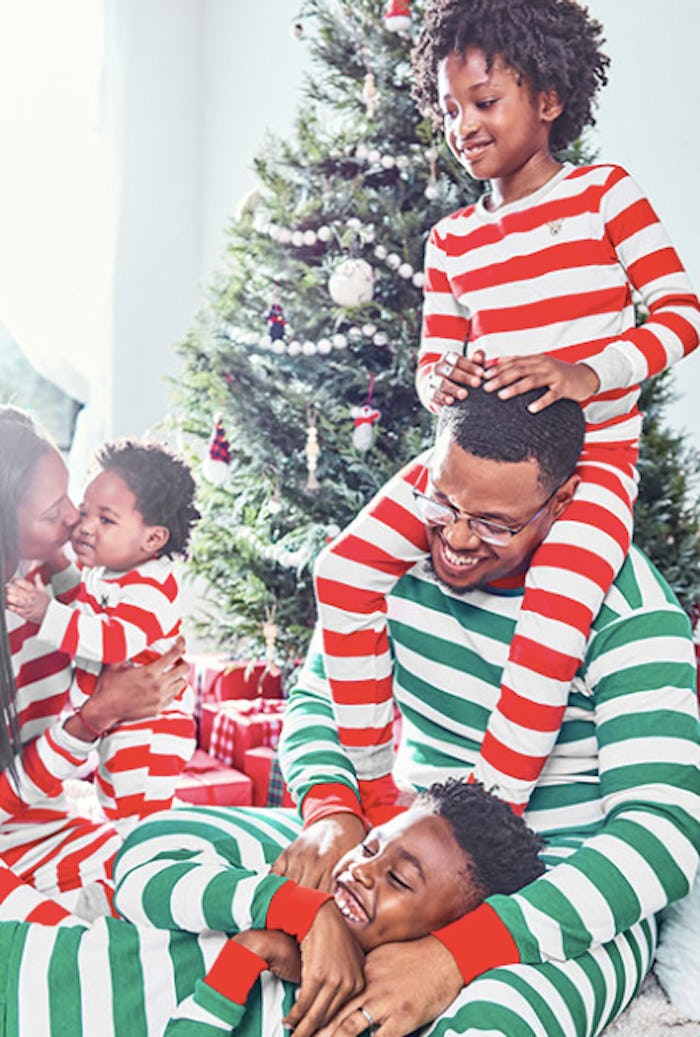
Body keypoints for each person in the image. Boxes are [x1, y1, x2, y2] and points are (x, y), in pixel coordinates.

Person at [313, 0, 700, 817]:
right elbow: (430, 361)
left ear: (550, 98)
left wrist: (586, 373)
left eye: (486, 102)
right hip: (476, 459)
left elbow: (681, 313)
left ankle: (483, 824)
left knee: (553, 621)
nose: (464, 126)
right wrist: (438, 383)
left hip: (589, 464)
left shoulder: (605, 196)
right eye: (451, 109)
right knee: (342, 570)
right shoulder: (452, 240)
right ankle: (380, 794)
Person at [272, 385, 699, 1037]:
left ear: (559, 502)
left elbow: (664, 831)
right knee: (222, 915)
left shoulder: (632, 613)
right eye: (442, 500)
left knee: (493, 1022)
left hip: (560, 883)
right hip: (393, 848)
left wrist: (457, 953)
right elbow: (317, 697)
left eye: (496, 522)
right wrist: (331, 808)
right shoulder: (384, 566)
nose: (457, 537)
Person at [0, 780, 545, 1035]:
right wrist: (303, 911)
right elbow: (141, 872)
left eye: (399, 880)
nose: (361, 870)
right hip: (21, 968)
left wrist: (251, 958)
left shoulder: (348, 1019)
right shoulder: (279, 884)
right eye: (371, 846)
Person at [0, 406, 187, 918]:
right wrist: (96, 717)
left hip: (61, 820)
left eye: (73, 501)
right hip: (15, 843)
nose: (73, 520)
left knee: (176, 879)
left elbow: (107, 638)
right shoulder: (40, 611)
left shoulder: (57, 587)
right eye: (54, 510)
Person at [6, 439, 199, 821]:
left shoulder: (149, 591)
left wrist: (45, 613)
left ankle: (144, 848)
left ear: (153, 539)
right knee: (112, 790)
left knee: (134, 808)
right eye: (84, 511)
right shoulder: (113, 574)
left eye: (106, 520)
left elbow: (110, 641)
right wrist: (59, 565)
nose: (83, 527)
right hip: (121, 718)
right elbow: (83, 600)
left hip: (150, 726)